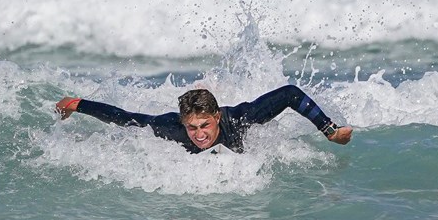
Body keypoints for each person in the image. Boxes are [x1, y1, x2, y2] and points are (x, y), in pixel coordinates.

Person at [55, 85, 352, 153]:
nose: (198, 134)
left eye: (205, 125)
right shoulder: (170, 128)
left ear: (217, 117)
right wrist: (77, 104)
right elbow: (124, 117)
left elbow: (290, 94)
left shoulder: (239, 119)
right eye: (192, 127)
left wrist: (330, 131)